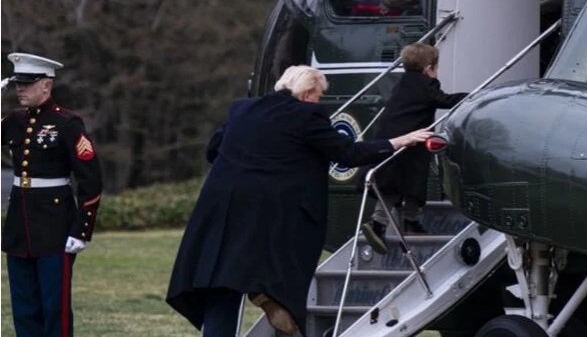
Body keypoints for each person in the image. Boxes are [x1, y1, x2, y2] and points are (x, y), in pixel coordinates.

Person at [165, 65, 431, 337]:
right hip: (272, 212)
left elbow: (214, 150)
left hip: (220, 207)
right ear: (306, 94)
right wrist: (399, 141)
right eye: (319, 95)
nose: (319, 101)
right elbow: (347, 153)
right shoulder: (307, 115)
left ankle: (258, 297)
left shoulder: (242, 109)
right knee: (283, 277)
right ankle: (269, 293)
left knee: (221, 287)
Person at [1, 52, 103, 337]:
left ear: (46, 85)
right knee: (24, 310)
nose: (20, 89)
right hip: (19, 228)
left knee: (54, 308)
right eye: (18, 83)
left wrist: (83, 229)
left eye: (28, 83)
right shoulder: (14, 121)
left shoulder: (67, 124)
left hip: (55, 227)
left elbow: (91, 179)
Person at [360, 43, 468, 255]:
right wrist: (472, 96)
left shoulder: (404, 82)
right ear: (429, 68)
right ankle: (378, 224)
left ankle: (411, 222)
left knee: (408, 180)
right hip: (409, 139)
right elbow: (443, 100)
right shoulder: (425, 83)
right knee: (399, 182)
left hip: (395, 135)